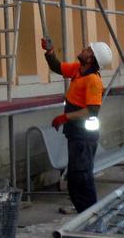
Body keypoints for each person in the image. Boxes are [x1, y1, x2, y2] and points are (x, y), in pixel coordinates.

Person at [41, 37, 113, 213]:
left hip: (84, 136)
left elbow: (91, 111)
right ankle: (83, 211)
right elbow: (57, 67)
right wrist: (50, 52)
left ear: (91, 59)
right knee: (75, 176)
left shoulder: (93, 81)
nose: (84, 49)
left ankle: (90, 213)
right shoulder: (78, 70)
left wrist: (65, 117)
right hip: (76, 133)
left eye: (88, 49)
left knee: (82, 176)